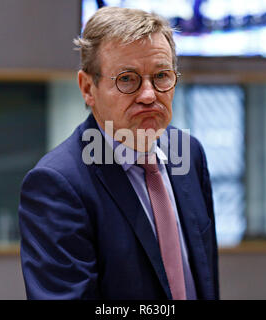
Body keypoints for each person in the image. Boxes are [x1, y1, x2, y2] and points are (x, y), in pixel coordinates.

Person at [18, 6, 219, 300]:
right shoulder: (58, 184)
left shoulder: (189, 153)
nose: (149, 94)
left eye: (162, 76)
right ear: (88, 88)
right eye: (127, 79)